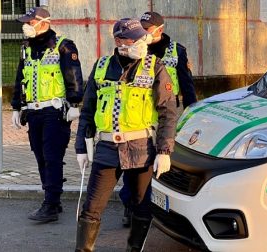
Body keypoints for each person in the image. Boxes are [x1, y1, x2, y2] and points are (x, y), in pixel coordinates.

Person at [74, 18, 177, 251]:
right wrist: (81, 146)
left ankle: (135, 248)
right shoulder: (102, 67)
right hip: (108, 149)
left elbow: (168, 112)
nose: (143, 42)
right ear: (120, 42)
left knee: (141, 205)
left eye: (143, 37)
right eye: (135, 39)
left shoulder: (155, 67)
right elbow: (88, 110)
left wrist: (164, 151)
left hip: (142, 148)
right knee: (92, 207)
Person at [119, 11, 198, 227]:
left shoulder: (176, 51)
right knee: (132, 166)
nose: (143, 32)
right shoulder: (133, 49)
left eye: (147, 28)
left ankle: (156, 204)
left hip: (164, 121)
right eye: (141, 28)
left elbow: (186, 83)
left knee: (161, 163)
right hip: (137, 121)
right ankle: (130, 206)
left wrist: (193, 112)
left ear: (159, 29)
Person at [11, 7, 83, 222]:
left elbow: (74, 76)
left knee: (52, 157)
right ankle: (53, 199)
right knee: (40, 156)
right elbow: (19, 79)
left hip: (55, 111)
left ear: (44, 23)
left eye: (30, 22)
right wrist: (17, 107)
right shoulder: (27, 48)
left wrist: (74, 103)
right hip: (34, 112)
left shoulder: (63, 46)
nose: (26, 26)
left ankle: (51, 205)